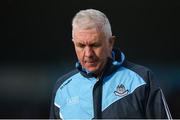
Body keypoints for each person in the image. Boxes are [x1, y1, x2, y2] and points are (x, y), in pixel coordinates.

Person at [50, 9, 172, 119]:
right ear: (74, 44)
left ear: (110, 43)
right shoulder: (62, 89)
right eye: (81, 46)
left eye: (95, 45)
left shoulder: (142, 80)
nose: (88, 54)